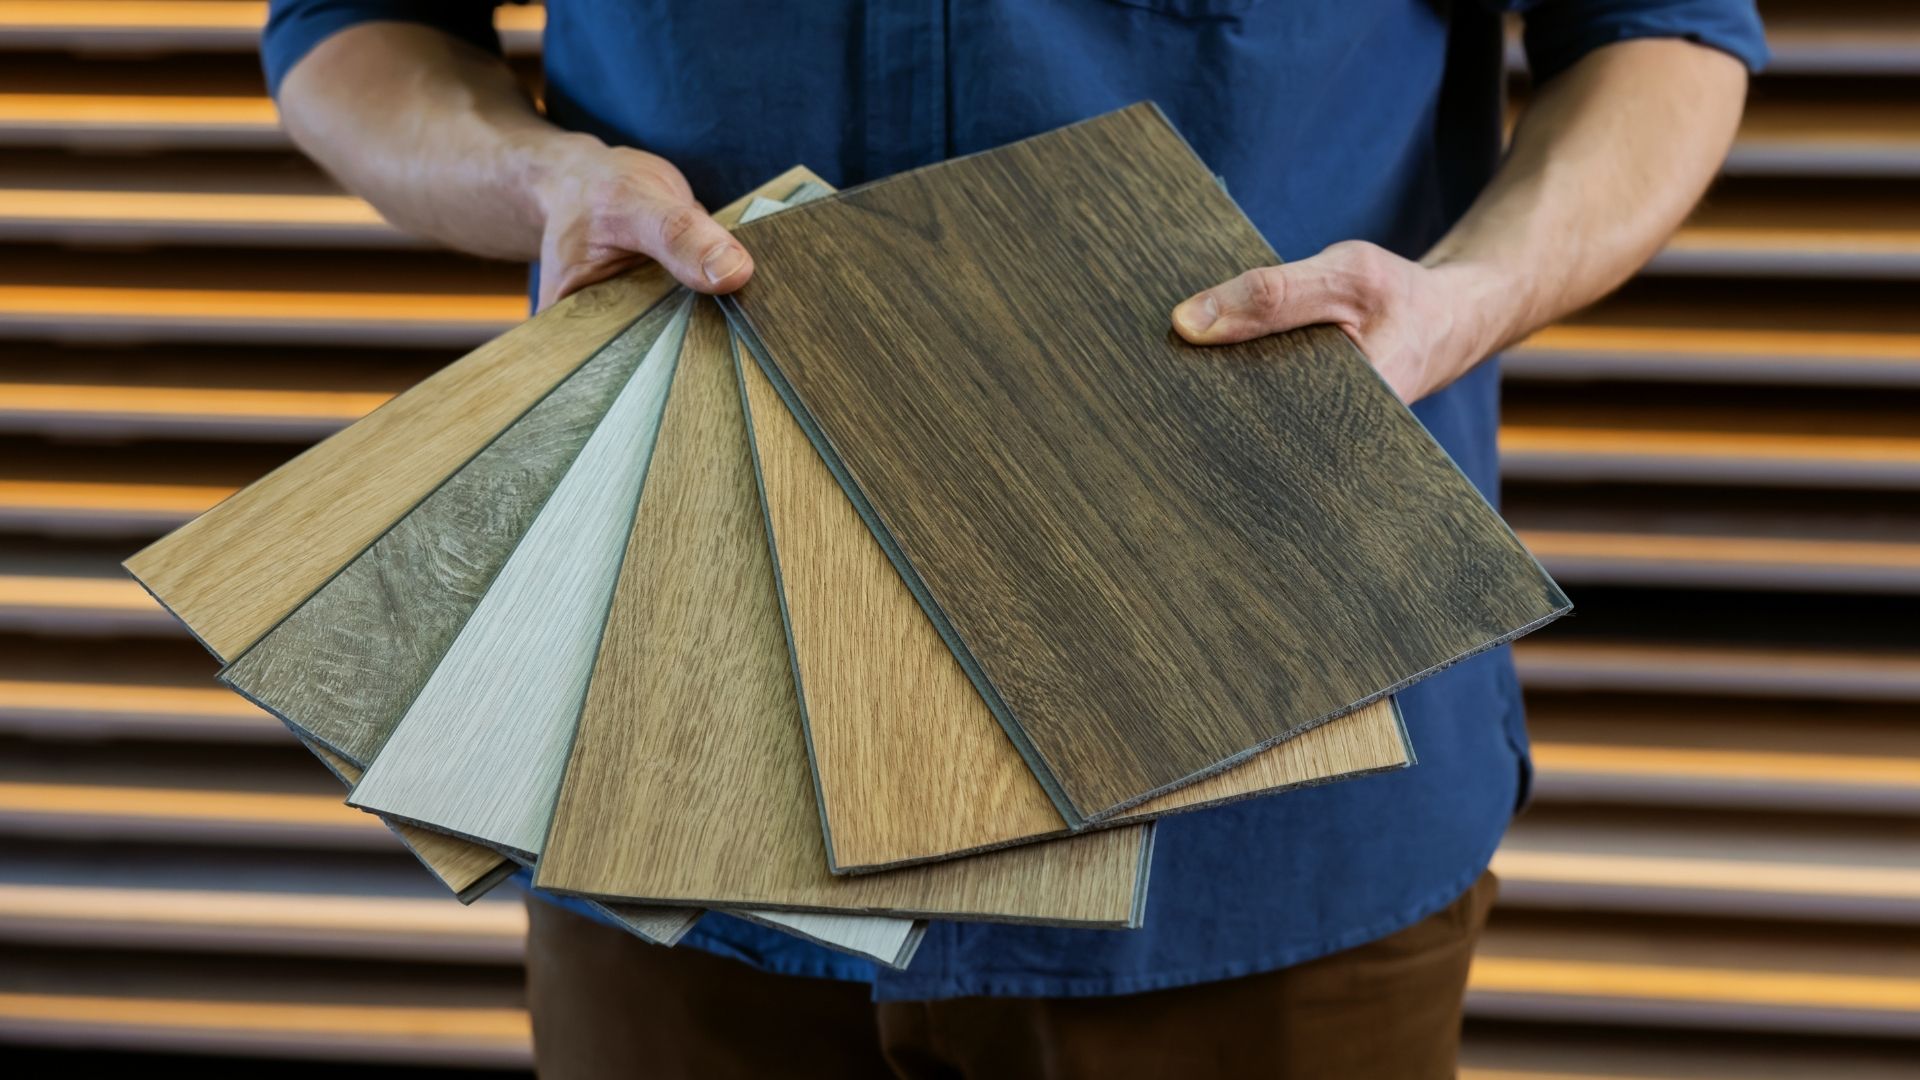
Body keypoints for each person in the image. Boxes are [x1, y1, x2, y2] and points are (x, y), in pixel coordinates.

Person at [262, 2, 1765, 1076]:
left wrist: (1472, 294)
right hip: (681, 765)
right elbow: (351, 28)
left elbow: (1662, 32)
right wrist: (534, 175)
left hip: (1269, 788)